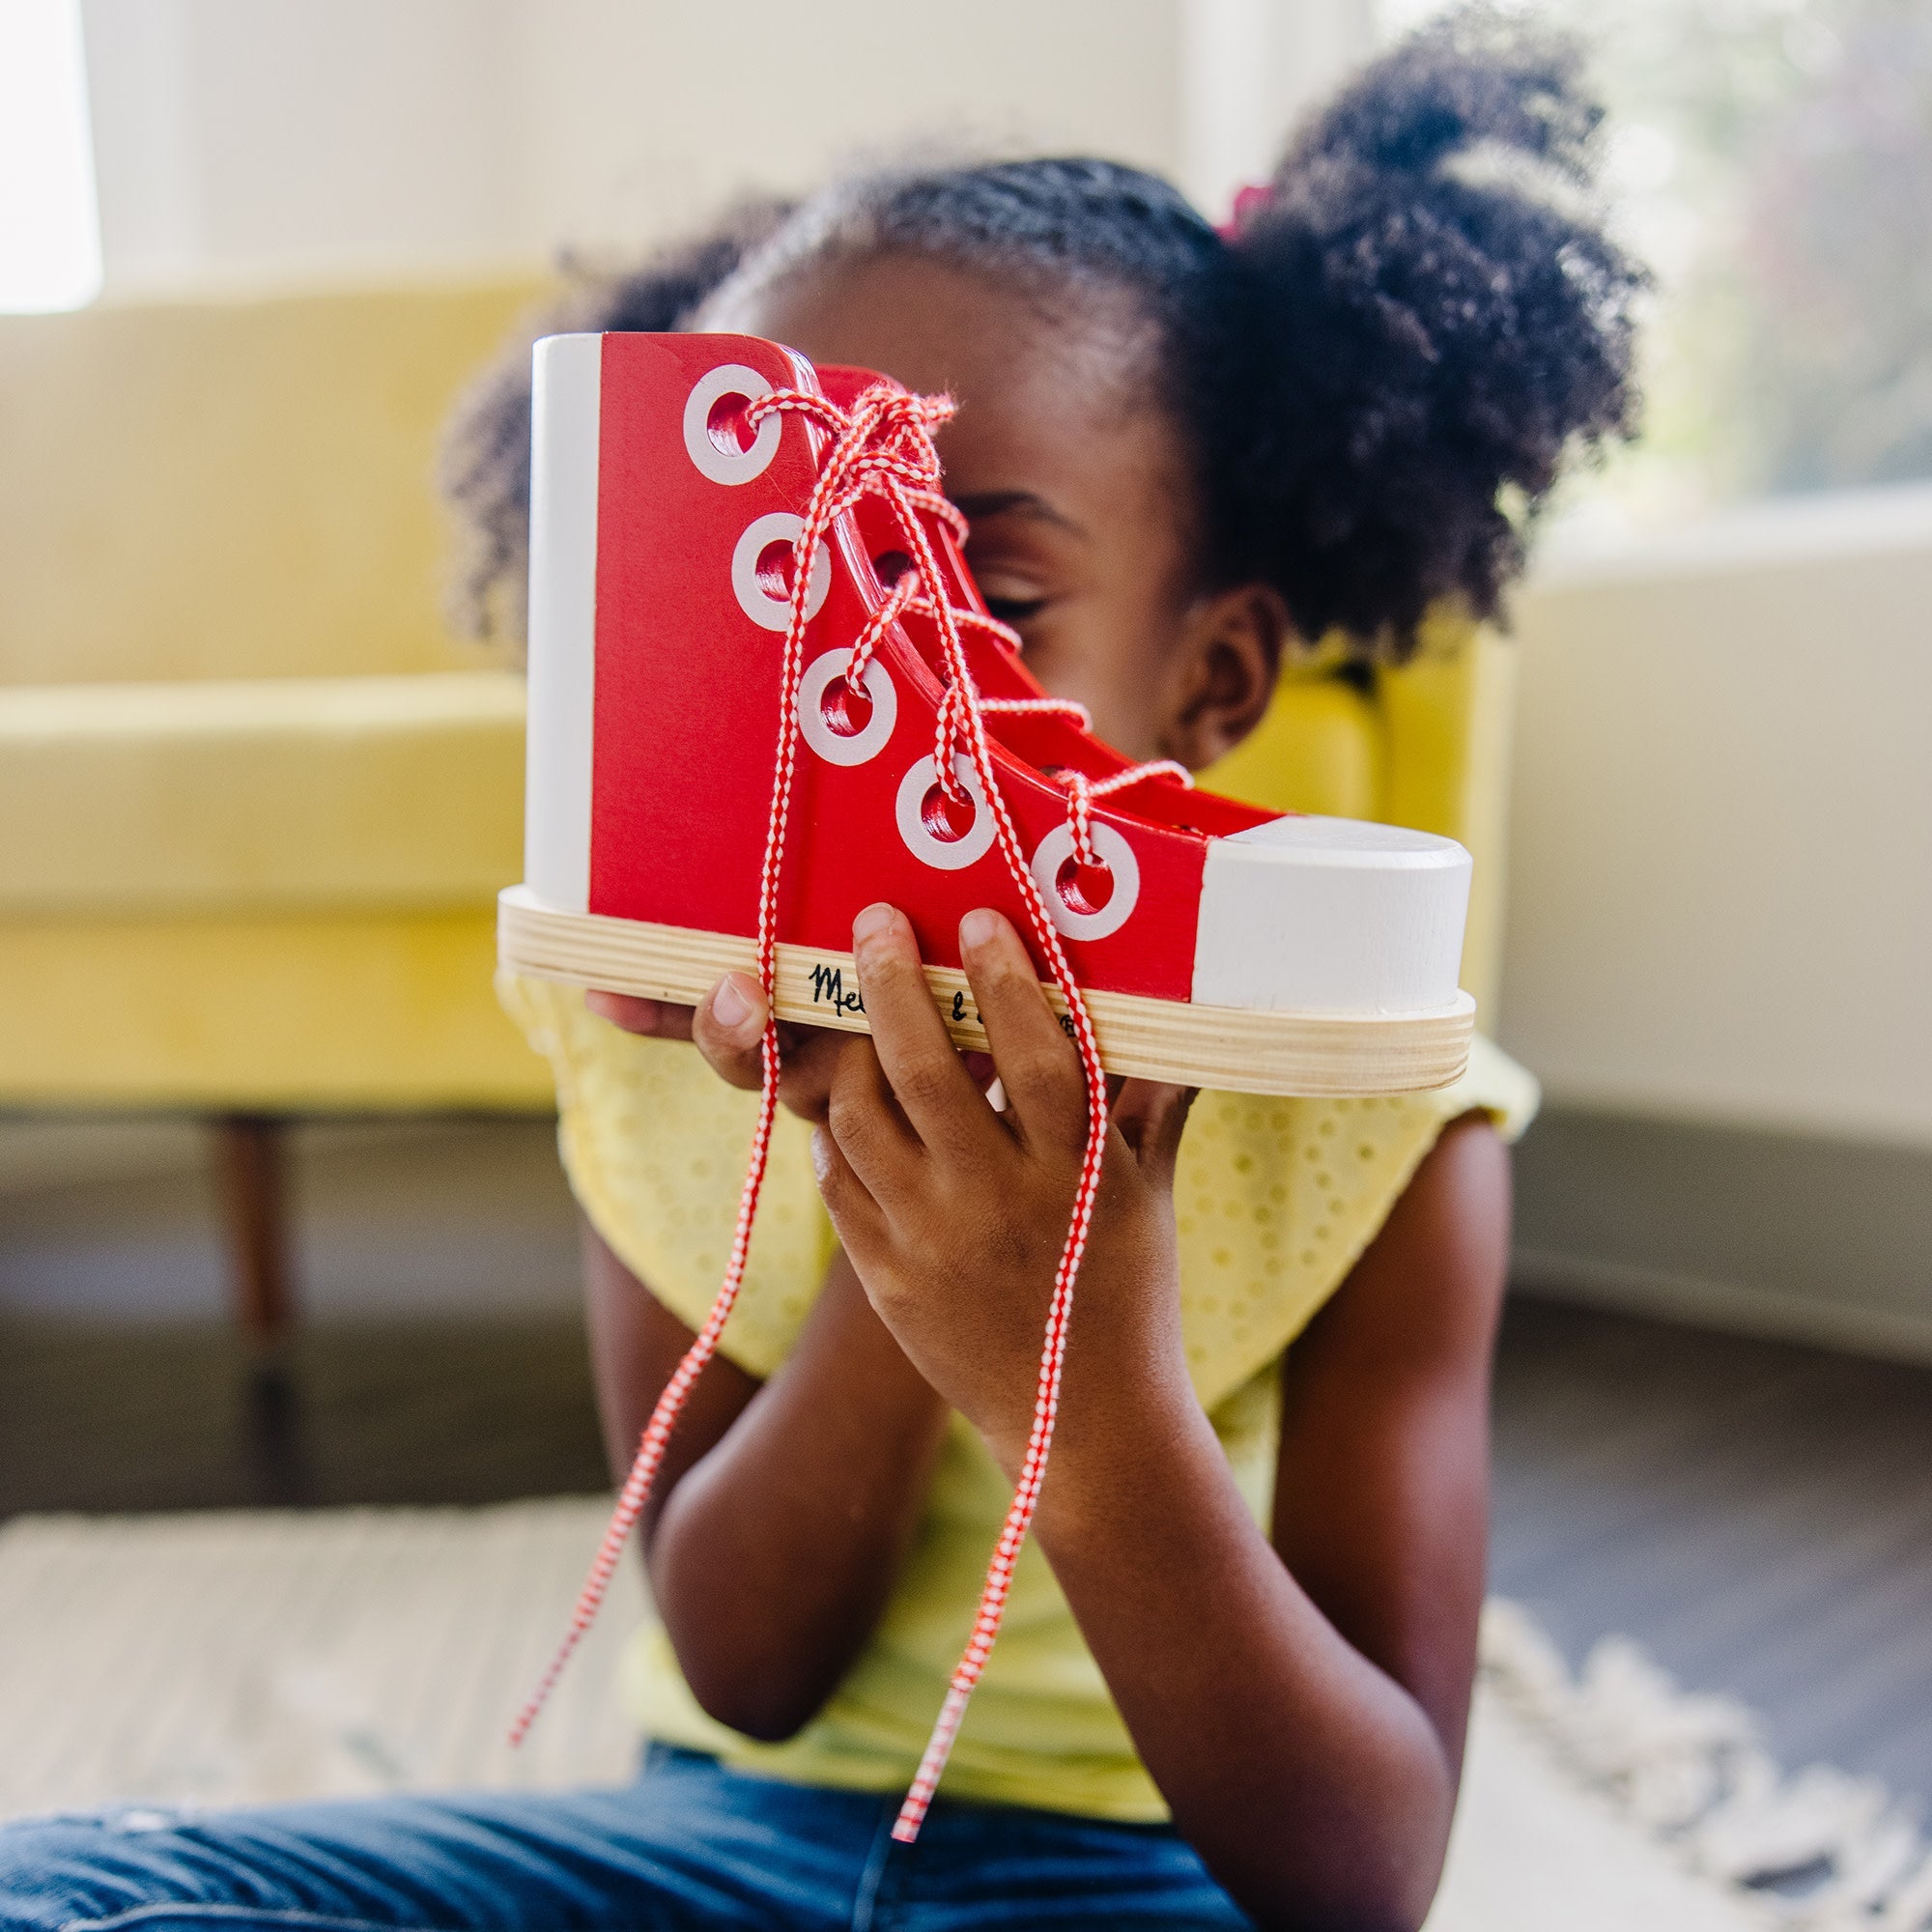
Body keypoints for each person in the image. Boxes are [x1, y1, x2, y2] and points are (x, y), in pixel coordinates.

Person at [0, 11, 1641, 1930]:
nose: (838, 721)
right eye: (758, 603)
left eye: (985, 606)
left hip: (1144, 1880)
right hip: (719, 1848)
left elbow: (1358, 1874)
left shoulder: (1394, 1140)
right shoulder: (651, 1040)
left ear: (1211, 680)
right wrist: (907, 1258)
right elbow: (742, 1664)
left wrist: (1082, 1363)